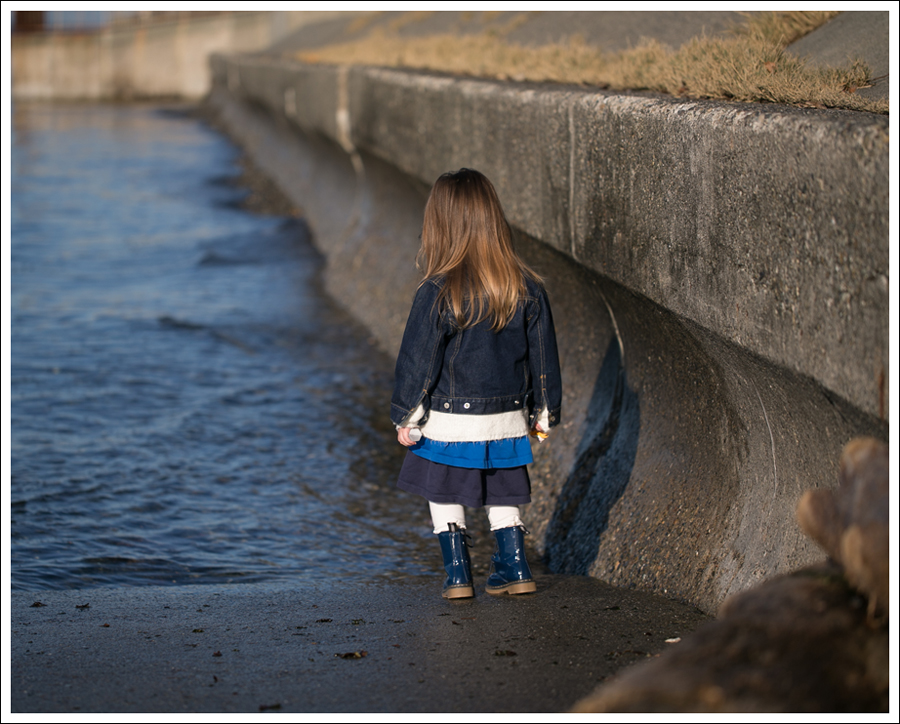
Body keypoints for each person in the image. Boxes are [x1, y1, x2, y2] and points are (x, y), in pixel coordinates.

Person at [391, 168, 562, 599]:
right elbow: (544, 359)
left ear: (439, 225)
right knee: (505, 487)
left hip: (450, 421)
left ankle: (457, 574)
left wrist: (407, 416)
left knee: (441, 484)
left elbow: (419, 362)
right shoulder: (525, 288)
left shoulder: (437, 291)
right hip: (506, 419)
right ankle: (514, 566)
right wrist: (543, 413)